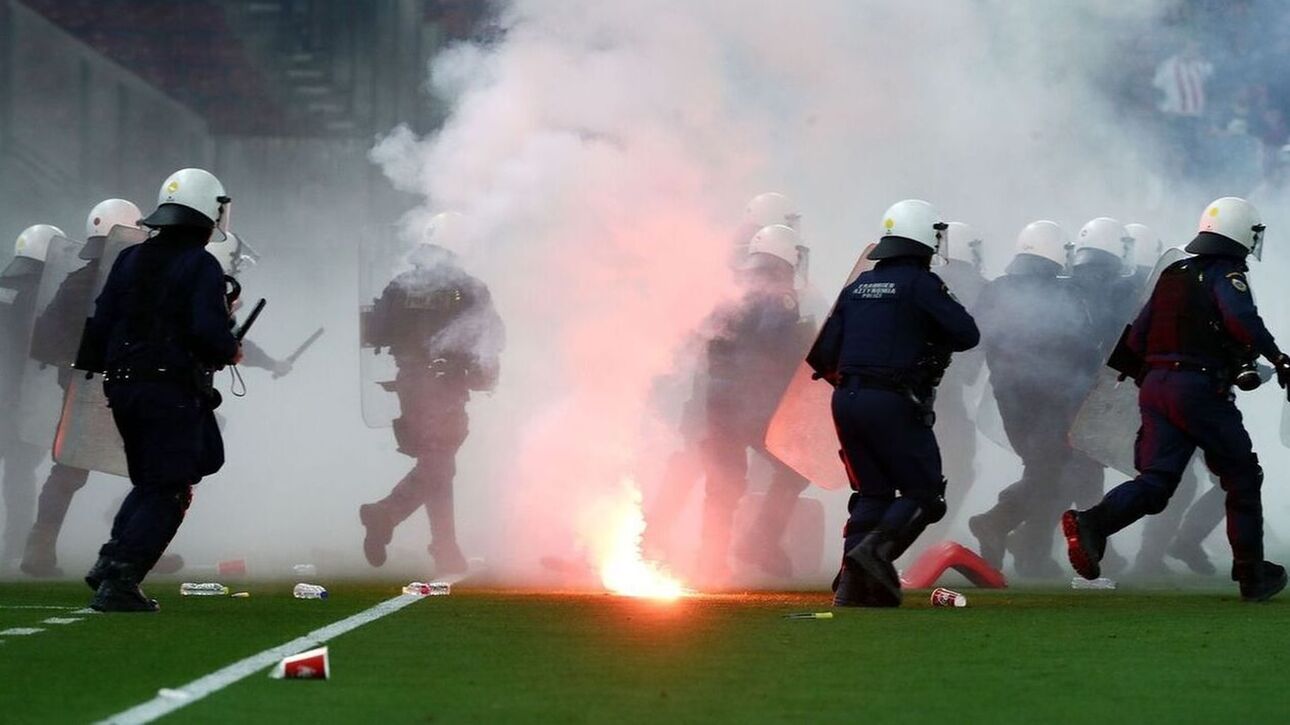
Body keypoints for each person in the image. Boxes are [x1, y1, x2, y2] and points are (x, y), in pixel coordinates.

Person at [1064, 197, 1289, 602]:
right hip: (1200, 391)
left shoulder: (1173, 273)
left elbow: (1136, 338)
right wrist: (1276, 357)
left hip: (1155, 389)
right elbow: (1240, 319)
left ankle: (1092, 524)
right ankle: (1252, 573)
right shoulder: (1227, 273)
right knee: (1241, 476)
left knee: (1156, 481)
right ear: (1241, 231)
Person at [79, 169, 241, 612]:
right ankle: (121, 578)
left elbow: (102, 321)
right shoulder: (200, 264)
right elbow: (207, 331)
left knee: (151, 481)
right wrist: (231, 347)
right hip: (168, 388)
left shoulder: (130, 259)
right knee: (170, 488)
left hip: (122, 386)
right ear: (209, 212)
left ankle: (111, 561)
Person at [811, 200, 979, 607]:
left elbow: (823, 354)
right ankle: (875, 553)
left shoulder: (858, 286)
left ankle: (851, 588)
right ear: (924, 236)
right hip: (893, 401)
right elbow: (966, 333)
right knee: (925, 493)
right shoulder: (921, 285)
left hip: (845, 400)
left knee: (873, 492)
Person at [359, 214, 504, 576]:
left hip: (410, 384)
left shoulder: (400, 286)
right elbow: (494, 336)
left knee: (436, 464)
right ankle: (387, 514)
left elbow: (374, 330)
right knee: (440, 464)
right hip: (446, 387)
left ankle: (444, 547)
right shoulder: (470, 289)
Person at [967, 221, 1095, 576]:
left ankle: (1028, 550)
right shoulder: (1062, 294)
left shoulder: (995, 290)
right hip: (1052, 401)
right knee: (1053, 472)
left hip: (1008, 399)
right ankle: (997, 523)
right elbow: (1083, 349)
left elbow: (975, 338)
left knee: (1046, 471)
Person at [21, 200, 140, 577]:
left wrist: (70, 364)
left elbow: (44, 338)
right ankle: (135, 548)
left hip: (86, 387)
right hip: (119, 388)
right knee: (149, 468)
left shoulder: (77, 281)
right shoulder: (136, 286)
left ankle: (41, 547)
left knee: (70, 470)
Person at [693, 224, 811, 585]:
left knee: (723, 482)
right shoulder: (778, 293)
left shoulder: (731, 287)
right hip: (754, 401)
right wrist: (804, 342)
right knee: (796, 468)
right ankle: (760, 540)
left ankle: (710, 563)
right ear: (786, 256)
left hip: (718, 400)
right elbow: (774, 341)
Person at [1060, 216, 1139, 575]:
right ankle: (1090, 540)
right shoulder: (1107, 287)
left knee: (1074, 467)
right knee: (1085, 467)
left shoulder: (1068, 281)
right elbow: (1111, 336)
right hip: (1079, 389)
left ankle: (1081, 541)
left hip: (1055, 388)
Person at [1, 224, 64, 568]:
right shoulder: (46, 294)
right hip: (24, 397)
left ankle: (15, 543)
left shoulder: (4, 286)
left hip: (8, 392)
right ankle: (16, 543)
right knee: (20, 470)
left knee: (18, 469)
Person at [933, 221, 988, 514]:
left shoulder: (923, 276)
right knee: (960, 468)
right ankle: (928, 537)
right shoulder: (980, 288)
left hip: (902, 390)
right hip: (946, 395)